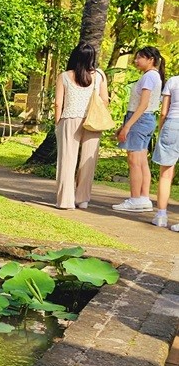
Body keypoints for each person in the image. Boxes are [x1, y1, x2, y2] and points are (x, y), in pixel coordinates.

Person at [53, 45, 109, 209]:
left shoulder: (64, 76)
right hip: (93, 121)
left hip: (69, 118)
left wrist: (58, 123)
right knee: (87, 162)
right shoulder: (99, 76)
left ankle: (65, 201)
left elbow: (58, 103)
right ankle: (82, 199)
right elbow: (104, 100)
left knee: (67, 160)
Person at [112, 46, 165, 213]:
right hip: (145, 119)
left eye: (139, 57)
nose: (136, 61)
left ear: (150, 59)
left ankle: (135, 198)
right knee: (141, 161)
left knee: (134, 161)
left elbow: (143, 104)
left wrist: (127, 126)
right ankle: (143, 197)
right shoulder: (152, 76)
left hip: (140, 120)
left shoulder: (149, 76)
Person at [152, 66, 179, 230]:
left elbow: (163, 112)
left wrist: (162, 129)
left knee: (166, 174)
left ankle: (161, 215)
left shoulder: (173, 81)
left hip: (172, 124)